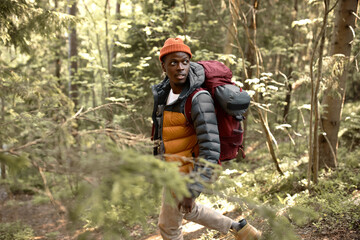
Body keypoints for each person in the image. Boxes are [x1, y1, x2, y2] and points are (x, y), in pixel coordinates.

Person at [151, 37, 261, 240]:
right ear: (163, 65)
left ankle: (240, 229)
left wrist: (192, 188)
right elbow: (162, 132)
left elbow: (211, 148)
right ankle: (240, 229)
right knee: (188, 210)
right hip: (173, 168)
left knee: (168, 227)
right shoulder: (164, 94)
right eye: (173, 62)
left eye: (185, 61)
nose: (180, 67)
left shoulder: (199, 98)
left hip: (187, 171)